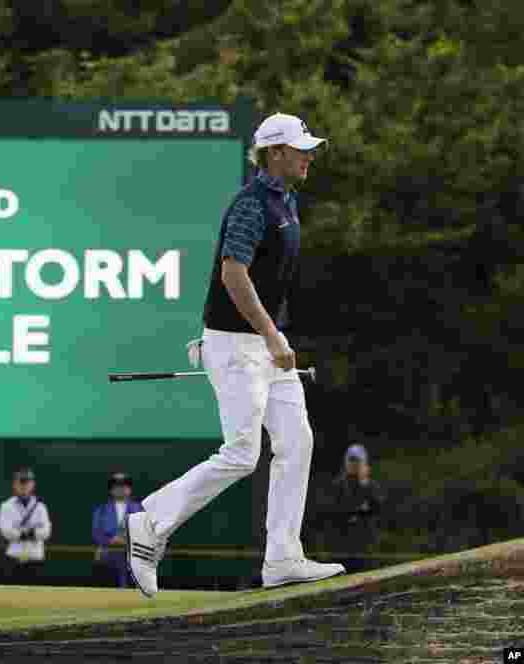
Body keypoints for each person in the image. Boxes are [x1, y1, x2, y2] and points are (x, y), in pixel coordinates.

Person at [126, 113, 346, 597]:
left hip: (266, 345)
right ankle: (150, 522)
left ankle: (283, 558)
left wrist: (272, 339)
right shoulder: (252, 205)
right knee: (243, 454)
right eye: (299, 148)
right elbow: (233, 274)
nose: (309, 155)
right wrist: (272, 336)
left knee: (298, 441)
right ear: (274, 153)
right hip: (238, 344)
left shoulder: (285, 198)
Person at [326, 444, 385, 573]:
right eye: (351, 460)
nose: (354, 464)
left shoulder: (371, 485)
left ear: (364, 463)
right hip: (342, 549)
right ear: (346, 462)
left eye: (357, 461)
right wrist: (360, 510)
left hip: (367, 549)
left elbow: (377, 508)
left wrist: (364, 484)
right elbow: (338, 512)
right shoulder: (338, 485)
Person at [0, 468, 52, 585]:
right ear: (15, 485)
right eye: (21, 482)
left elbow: (46, 532)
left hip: (36, 559)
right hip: (14, 559)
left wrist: (21, 533)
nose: (24, 486)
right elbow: (6, 531)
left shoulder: (41, 507)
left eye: (27, 482)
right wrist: (32, 533)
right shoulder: (6, 506)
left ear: (32, 485)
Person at [92, 472, 144, 588]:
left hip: (133, 556)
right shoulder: (101, 510)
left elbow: (144, 531)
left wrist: (127, 540)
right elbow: (96, 533)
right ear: (111, 490)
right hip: (108, 557)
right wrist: (111, 540)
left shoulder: (139, 509)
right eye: (117, 486)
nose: (121, 488)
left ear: (129, 489)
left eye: (124, 486)